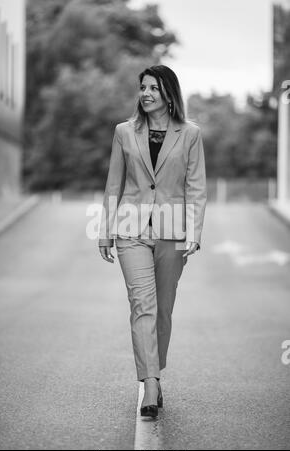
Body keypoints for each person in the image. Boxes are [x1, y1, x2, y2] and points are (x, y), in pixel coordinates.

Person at [98, 65, 207, 418]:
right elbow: (114, 184)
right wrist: (105, 230)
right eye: (142, 88)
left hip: (172, 230)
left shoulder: (190, 134)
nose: (145, 94)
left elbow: (196, 187)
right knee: (142, 305)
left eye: (153, 89)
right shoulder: (124, 133)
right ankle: (151, 383)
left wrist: (194, 231)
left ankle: (154, 369)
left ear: (168, 95)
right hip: (131, 229)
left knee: (163, 308)